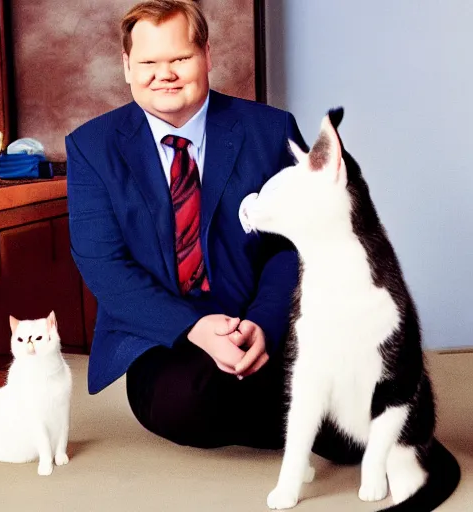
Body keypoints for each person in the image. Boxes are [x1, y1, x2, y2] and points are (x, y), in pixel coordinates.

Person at [67, 0, 361, 461]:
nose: (164, 74)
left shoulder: (270, 129)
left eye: (179, 58)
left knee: (345, 382)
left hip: (262, 313)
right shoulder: (90, 147)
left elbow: (300, 243)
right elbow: (103, 264)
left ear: (206, 55)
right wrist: (195, 327)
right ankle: (321, 418)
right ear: (127, 66)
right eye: (147, 62)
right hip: (163, 333)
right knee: (183, 402)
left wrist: (263, 322)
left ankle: (335, 414)